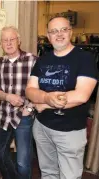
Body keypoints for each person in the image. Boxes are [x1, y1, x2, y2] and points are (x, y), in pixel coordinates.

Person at [26, 16, 98, 179]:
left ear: (70, 32)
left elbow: (81, 96)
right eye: (54, 31)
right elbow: (30, 90)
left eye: (63, 29)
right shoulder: (43, 60)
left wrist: (45, 104)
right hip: (42, 127)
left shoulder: (84, 59)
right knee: (48, 173)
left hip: (70, 131)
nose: (59, 34)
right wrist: (45, 97)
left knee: (70, 176)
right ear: (48, 36)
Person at [0, 26, 37, 179]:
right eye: (5, 40)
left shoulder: (32, 60)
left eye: (12, 39)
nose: (9, 43)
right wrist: (7, 97)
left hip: (24, 116)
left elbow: (40, 88)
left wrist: (30, 108)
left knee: (23, 163)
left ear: (19, 41)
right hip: (4, 115)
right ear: (1, 43)